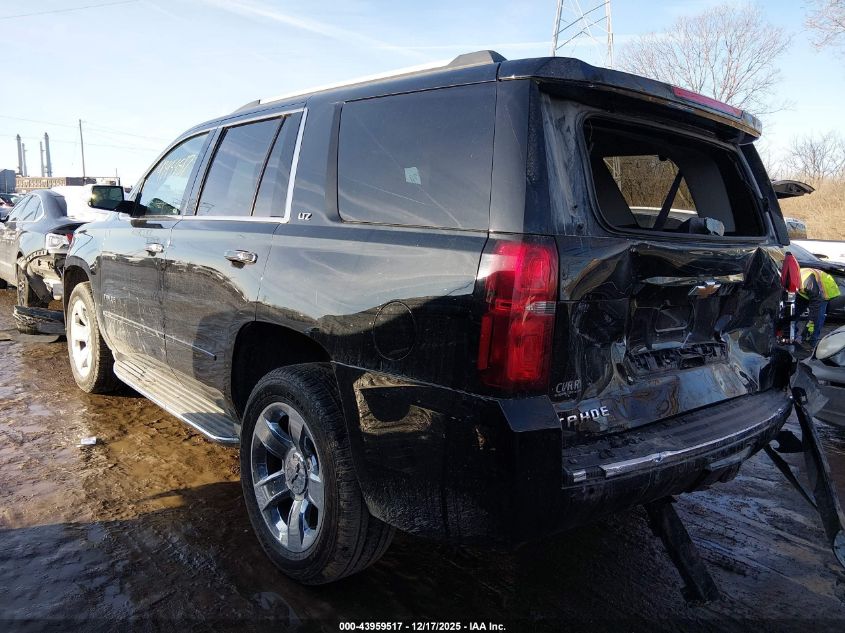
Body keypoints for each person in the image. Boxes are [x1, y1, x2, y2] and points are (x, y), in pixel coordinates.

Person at [796, 266, 841, 347]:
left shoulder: (806, 282)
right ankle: (797, 336)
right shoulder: (792, 278)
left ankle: (810, 343)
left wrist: (811, 322)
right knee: (795, 312)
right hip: (808, 291)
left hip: (824, 291)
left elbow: (816, 303)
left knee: (816, 319)